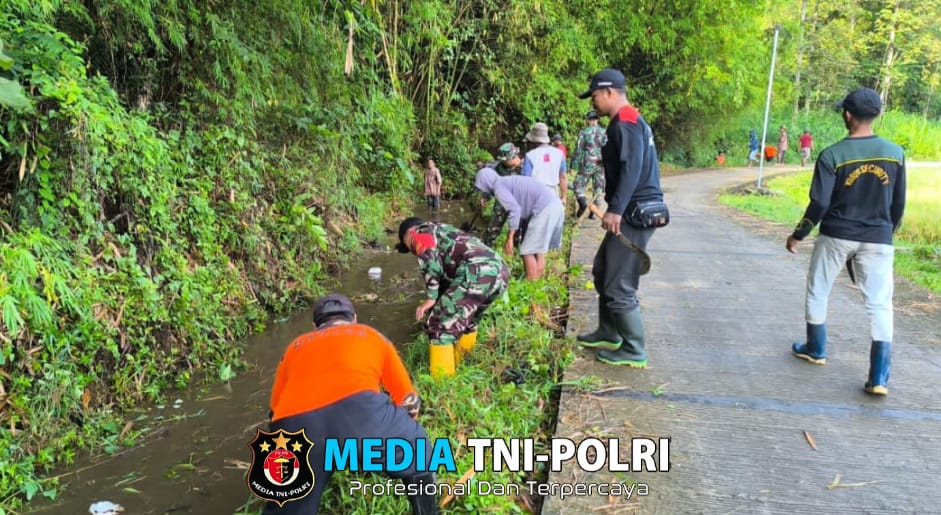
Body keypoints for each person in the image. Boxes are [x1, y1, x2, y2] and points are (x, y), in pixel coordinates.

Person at [264, 294, 437, 514]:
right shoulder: (371, 335)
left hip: (294, 428)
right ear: (354, 319)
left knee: (286, 506)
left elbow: (273, 414)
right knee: (417, 449)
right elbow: (409, 401)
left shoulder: (293, 348)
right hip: (360, 413)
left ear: (315, 326)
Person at [787, 87, 906, 396]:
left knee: (819, 289)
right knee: (880, 304)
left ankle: (816, 349)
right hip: (879, 237)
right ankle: (878, 377)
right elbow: (898, 204)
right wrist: (884, 235)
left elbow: (819, 203)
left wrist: (798, 234)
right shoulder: (896, 153)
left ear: (848, 115)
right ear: (877, 114)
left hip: (836, 234)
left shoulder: (832, 155)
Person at [575, 68, 665, 368]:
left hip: (635, 212)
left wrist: (615, 209)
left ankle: (634, 348)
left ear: (609, 91)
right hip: (633, 207)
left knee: (619, 282)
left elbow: (632, 167)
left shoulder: (624, 121)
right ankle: (609, 332)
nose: (594, 102)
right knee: (602, 269)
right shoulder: (625, 121)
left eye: (596, 96)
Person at [396, 218, 509, 378]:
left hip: (476, 270)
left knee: (439, 325)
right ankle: (462, 365)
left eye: (407, 247)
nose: (412, 251)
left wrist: (430, 298)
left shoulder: (420, 232)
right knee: (468, 321)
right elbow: (447, 278)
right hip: (499, 272)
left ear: (408, 234)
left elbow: (429, 258)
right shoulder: (443, 230)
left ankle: (442, 384)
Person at [474, 168, 564, 280]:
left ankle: (531, 283)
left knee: (527, 250)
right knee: (537, 249)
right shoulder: (505, 181)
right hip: (554, 205)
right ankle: (537, 281)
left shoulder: (498, 187)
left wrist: (510, 238)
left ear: (485, 182)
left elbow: (515, 210)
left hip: (545, 208)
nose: (484, 191)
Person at [480, 143, 523, 246]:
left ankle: (516, 247)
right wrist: (486, 196)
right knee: (493, 226)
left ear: (513, 157)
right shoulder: (499, 167)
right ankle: (486, 246)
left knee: (519, 227)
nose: (503, 162)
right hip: (503, 201)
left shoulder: (525, 168)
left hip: (520, 202)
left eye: (505, 160)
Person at [573, 109, 607, 219]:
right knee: (598, 188)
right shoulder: (604, 132)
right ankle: (593, 212)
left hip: (588, 162)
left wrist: (574, 165)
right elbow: (609, 149)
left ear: (588, 120)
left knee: (578, 184)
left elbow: (578, 150)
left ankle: (583, 204)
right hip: (601, 163)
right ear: (597, 120)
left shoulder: (584, 132)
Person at [522, 122, 568, 204]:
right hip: (553, 194)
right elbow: (563, 177)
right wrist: (564, 197)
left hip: (535, 195)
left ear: (534, 140)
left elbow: (526, 181)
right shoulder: (559, 154)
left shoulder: (529, 156)